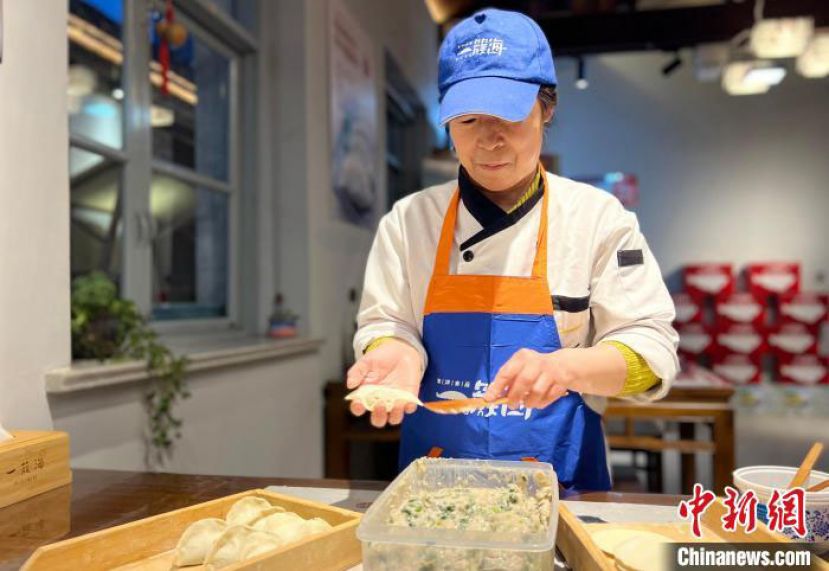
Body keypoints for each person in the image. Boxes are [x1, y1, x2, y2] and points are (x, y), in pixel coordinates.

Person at [347, 8, 678, 491]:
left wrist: (566, 367)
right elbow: (386, 320)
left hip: (560, 483)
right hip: (432, 484)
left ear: (547, 108)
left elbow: (652, 352)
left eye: (509, 114)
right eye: (469, 119)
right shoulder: (408, 222)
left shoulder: (597, 219)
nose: (489, 139)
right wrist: (396, 350)